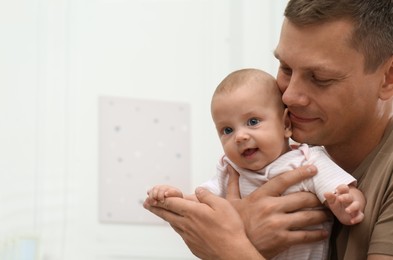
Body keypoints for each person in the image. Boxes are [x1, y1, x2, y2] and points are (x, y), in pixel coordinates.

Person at [144, 0, 393, 259]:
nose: (290, 96)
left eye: (320, 78)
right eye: (285, 68)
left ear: (388, 76)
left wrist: (231, 245)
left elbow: (228, 245)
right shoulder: (267, 161)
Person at [147, 68, 365, 259]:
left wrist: (347, 204)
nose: (240, 136)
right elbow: (205, 203)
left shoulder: (308, 159)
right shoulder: (230, 170)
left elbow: (343, 190)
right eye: (227, 130)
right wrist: (175, 197)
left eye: (253, 122)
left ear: (286, 124)